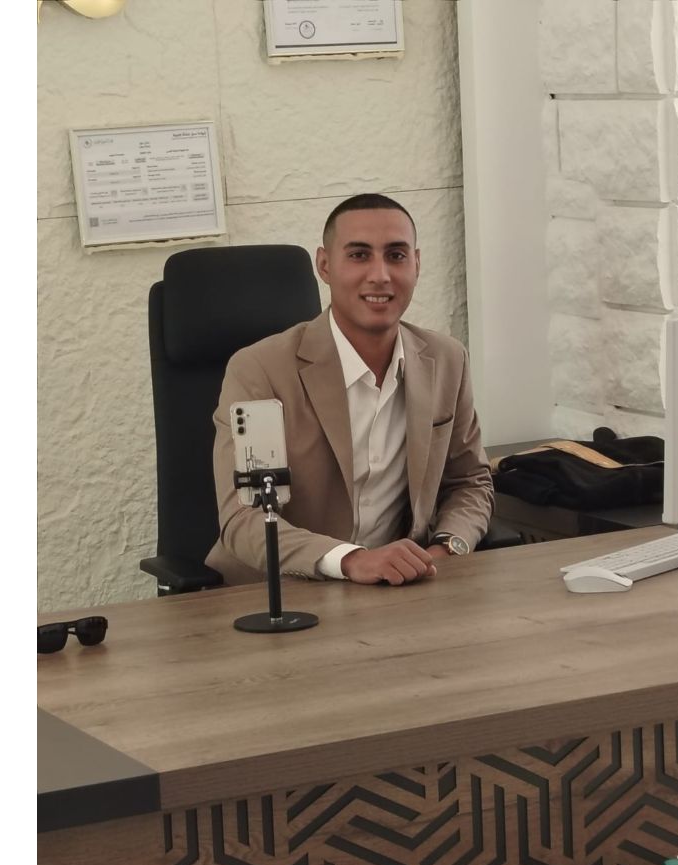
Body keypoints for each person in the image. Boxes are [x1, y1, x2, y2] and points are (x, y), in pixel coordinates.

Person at [205, 194, 494, 586]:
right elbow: (244, 518)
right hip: (279, 592)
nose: (380, 275)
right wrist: (351, 561)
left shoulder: (446, 360)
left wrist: (446, 547)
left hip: (400, 589)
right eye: (359, 255)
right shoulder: (260, 370)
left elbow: (470, 481)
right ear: (324, 265)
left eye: (396, 256)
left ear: (416, 263)